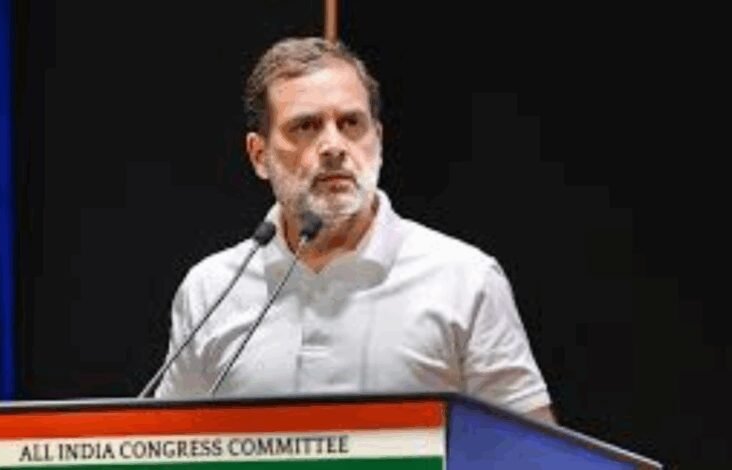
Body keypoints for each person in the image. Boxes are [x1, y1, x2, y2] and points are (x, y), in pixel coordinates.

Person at [153, 36, 555, 423]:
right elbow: (165, 448)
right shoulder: (211, 289)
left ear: (377, 140)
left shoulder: (465, 279)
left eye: (350, 123)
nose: (333, 146)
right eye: (306, 126)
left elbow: (530, 452)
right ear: (259, 155)